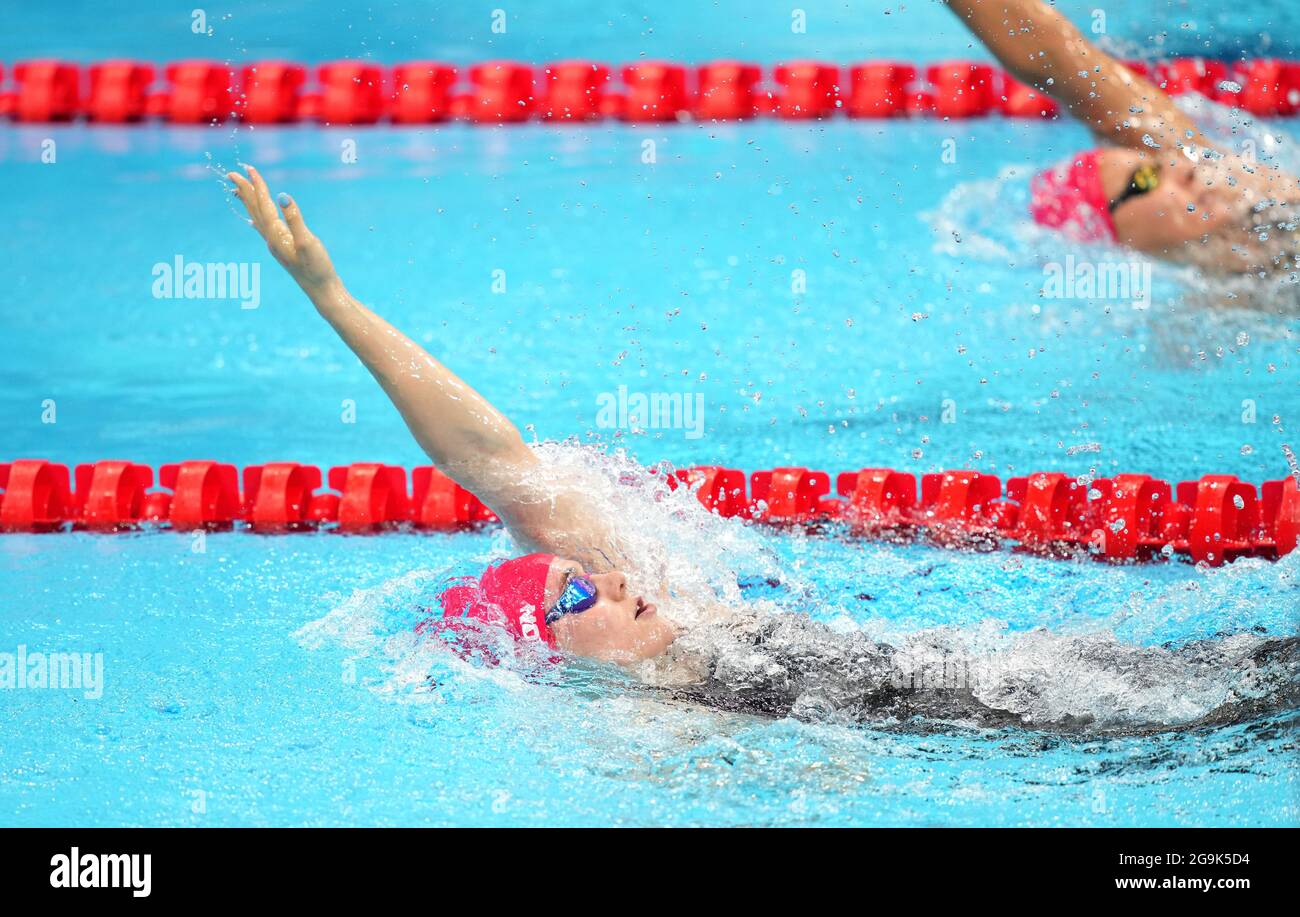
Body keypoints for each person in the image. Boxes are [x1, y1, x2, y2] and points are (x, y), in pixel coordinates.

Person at [227, 165, 1296, 734]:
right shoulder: (638, 731)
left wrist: (333, 298)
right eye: (570, 599)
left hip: (1032, 678)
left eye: (582, 571)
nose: (601, 578)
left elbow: (494, 459)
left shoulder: (670, 596)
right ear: (537, 661)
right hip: (1032, 731)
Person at [943, 0, 1300, 276]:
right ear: (1108, 239)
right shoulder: (1202, 330)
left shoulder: (1248, 189)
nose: (1183, 167)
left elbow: (1061, 63)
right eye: (1144, 179)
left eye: (1157, 162)